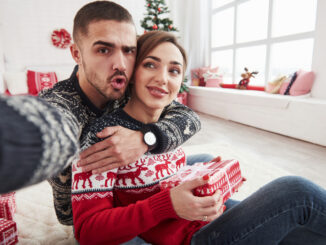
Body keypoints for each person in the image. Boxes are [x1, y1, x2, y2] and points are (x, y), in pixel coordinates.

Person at [72, 31, 326, 245]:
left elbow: (181, 139)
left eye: (174, 70)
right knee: (297, 193)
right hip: (196, 237)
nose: (163, 78)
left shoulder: (168, 123)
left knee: (304, 228)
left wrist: (213, 180)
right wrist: (167, 204)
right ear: (132, 71)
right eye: (150, 64)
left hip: (208, 217)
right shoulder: (104, 136)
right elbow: (86, 232)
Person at [0, 0, 211, 227]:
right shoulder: (62, 103)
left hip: (132, 173)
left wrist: (145, 139)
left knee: (206, 162)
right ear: (76, 53)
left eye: (128, 51)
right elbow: (49, 128)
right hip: (96, 206)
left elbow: (189, 117)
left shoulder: (126, 86)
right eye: (103, 50)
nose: (120, 64)